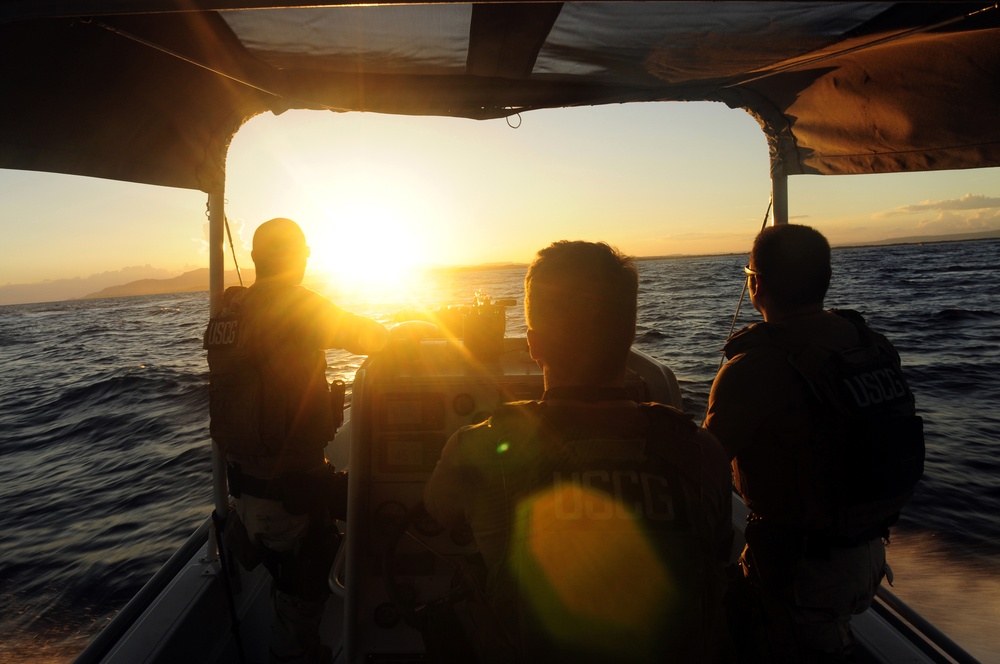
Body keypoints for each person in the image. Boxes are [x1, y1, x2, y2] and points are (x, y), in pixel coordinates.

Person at [423, 240, 734, 663]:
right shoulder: (702, 453)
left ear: (533, 344)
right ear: (628, 335)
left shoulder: (475, 447)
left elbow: (438, 512)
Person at [705, 224, 919, 663]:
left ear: (756, 284)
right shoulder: (868, 343)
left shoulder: (753, 368)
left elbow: (701, 469)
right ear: (825, 279)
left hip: (803, 576)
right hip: (870, 557)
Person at [205, 217, 389, 664]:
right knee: (300, 605)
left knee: (289, 590)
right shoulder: (295, 305)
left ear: (254, 258)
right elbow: (372, 337)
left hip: (245, 495)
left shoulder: (231, 311)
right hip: (288, 498)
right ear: (301, 257)